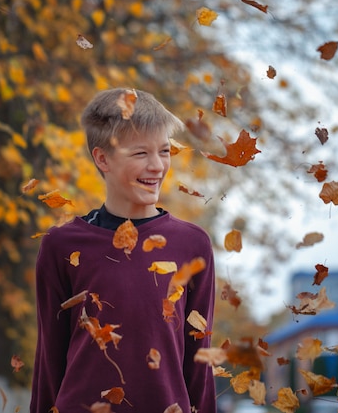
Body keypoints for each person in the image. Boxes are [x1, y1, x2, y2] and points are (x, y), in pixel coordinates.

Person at [29, 88, 216, 413]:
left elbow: (199, 366)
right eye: (140, 154)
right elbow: (49, 360)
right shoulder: (61, 246)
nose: (157, 165)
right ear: (103, 158)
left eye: (164, 151)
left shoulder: (193, 245)